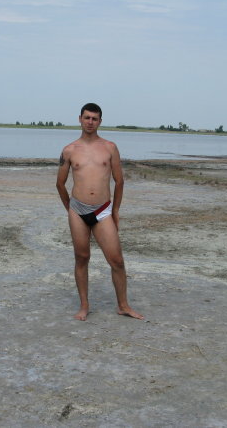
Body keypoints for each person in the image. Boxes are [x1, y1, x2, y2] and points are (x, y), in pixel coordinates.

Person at [56, 103, 143, 321]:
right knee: (82, 257)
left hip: (103, 210)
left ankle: (123, 305)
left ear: (100, 122)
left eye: (94, 119)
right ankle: (84, 306)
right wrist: (70, 208)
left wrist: (116, 211)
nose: (90, 122)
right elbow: (60, 183)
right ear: (80, 119)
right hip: (77, 209)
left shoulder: (110, 147)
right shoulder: (69, 150)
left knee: (117, 260)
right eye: (87, 118)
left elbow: (119, 181)